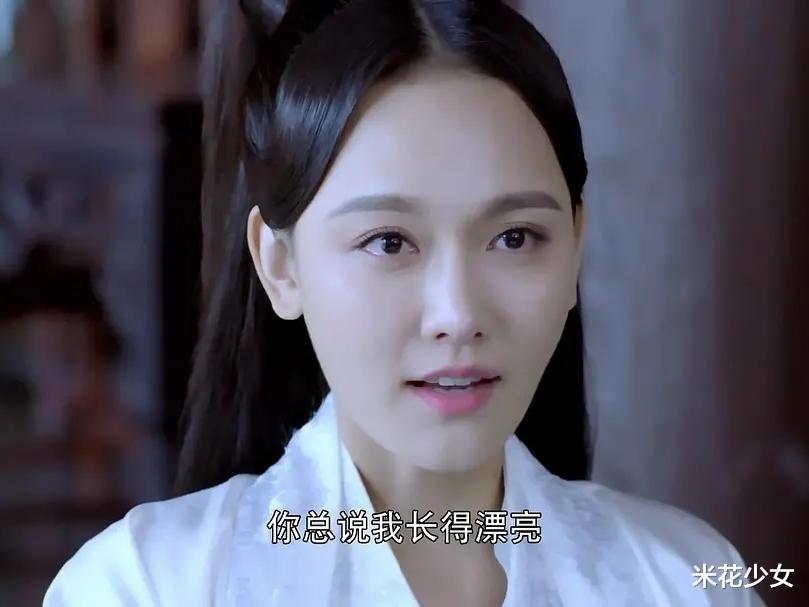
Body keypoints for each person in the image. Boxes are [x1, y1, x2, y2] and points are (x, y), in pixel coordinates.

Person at [43, 1, 767, 605]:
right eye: (389, 242)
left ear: (575, 246)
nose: (458, 314)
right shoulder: (146, 585)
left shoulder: (689, 580)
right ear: (280, 264)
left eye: (515, 237)